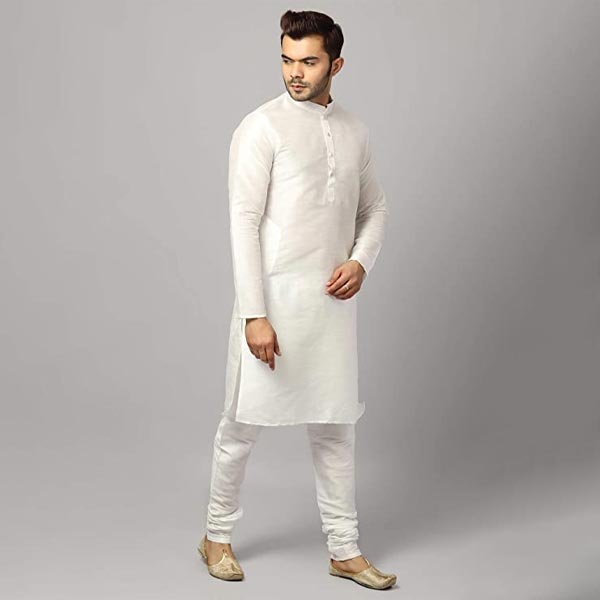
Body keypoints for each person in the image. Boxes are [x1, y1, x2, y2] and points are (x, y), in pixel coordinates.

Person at [198, 9, 396, 590]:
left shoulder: (355, 130)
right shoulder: (261, 126)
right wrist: (254, 314)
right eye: (287, 60)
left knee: (335, 429)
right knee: (241, 424)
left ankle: (344, 549)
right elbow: (243, 221)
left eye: (308, 61)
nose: (295, 73)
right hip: (272, 303)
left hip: (329, 306)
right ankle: (215, 536)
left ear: (337, 64)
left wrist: (361, 261)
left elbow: (375, 208)